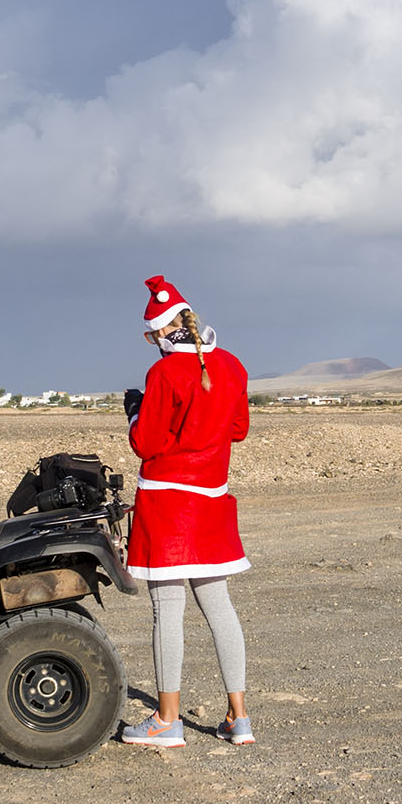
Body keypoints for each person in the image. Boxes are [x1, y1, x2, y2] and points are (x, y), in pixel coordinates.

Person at [118, 275, 255, 748]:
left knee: (168, 611)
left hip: (167, 503)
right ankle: (239, 718)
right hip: (212, 501)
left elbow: (145, 443)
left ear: (159, 332)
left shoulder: (163, 374)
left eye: (150, 335)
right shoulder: (232, 365)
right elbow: (238, 430)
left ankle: (167, 720)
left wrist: (135, 411)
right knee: (220, 609)